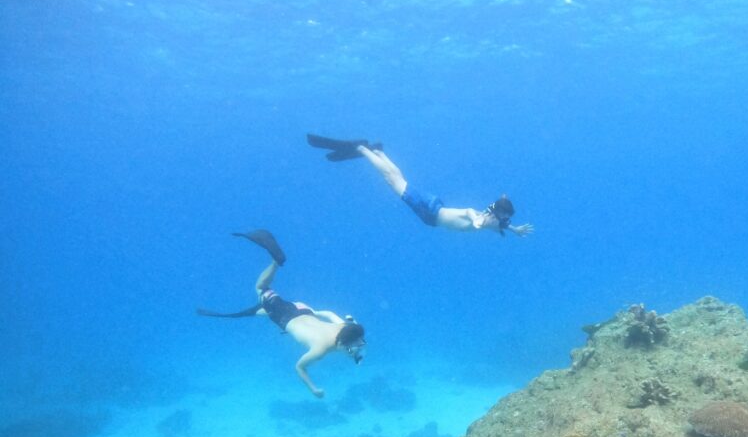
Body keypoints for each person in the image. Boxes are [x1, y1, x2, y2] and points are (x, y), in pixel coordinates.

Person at [197, 230, 365, 398]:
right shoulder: (320, 350)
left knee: (263, 310)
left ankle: (258, 309)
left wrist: (316, 312)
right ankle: (275, 263)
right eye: (353, 348)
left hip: (302, 308)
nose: (356, 349)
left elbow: (329, 314)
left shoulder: (344, 326)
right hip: (284, 315)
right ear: (343, 343)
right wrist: (313, 389)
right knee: (261, 289)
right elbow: (299, 367)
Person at [307, 134, 534, 236]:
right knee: (392, 180)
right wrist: (474, 219)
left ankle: (378, 152)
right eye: (505, 217)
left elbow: (500, 226)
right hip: (429, 210)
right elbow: (469, 212)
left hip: (432, 211)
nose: (506, 221)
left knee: (399, 180)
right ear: (497, 213)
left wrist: (515, 229)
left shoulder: (494, 223)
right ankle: (362, 149)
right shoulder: (482, 218)